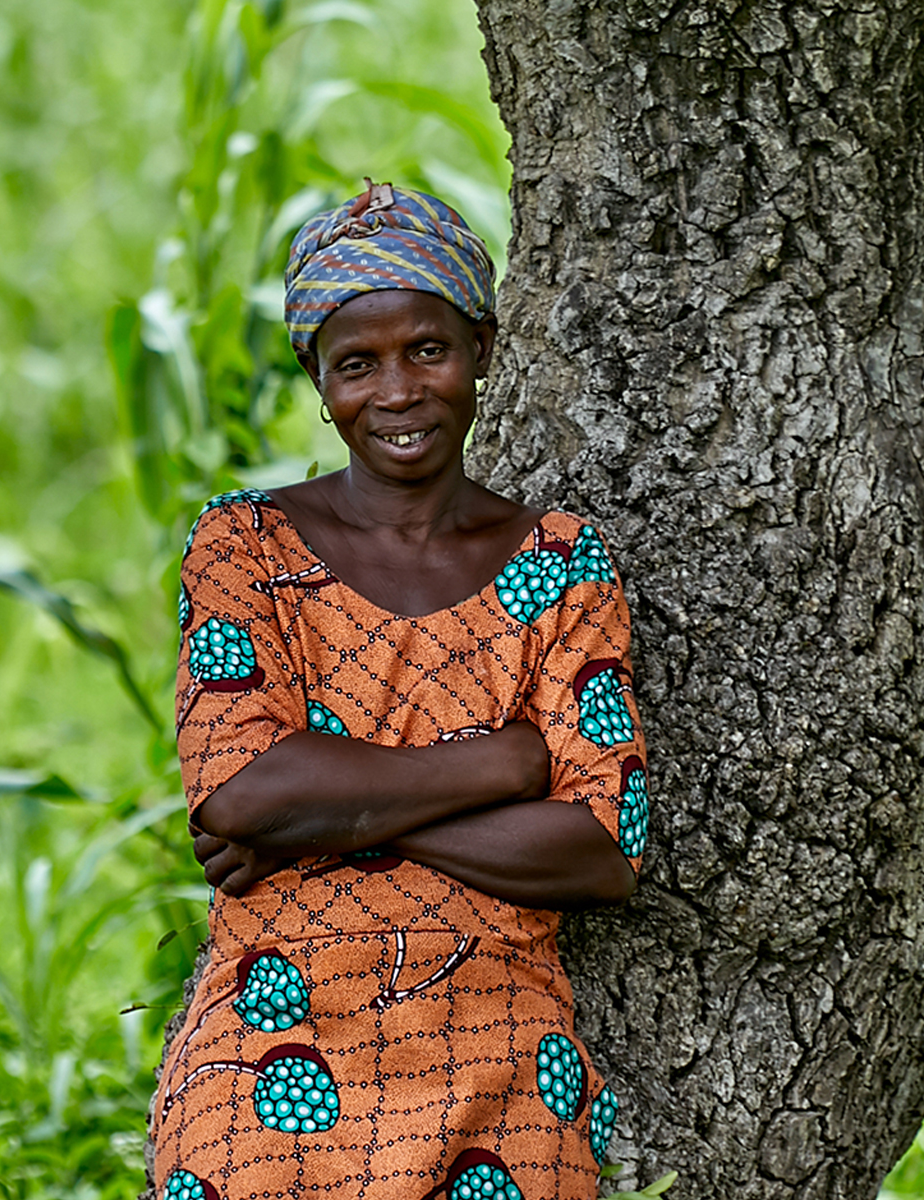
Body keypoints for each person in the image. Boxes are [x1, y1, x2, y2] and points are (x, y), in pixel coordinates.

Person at [149, 181, 648, 1200]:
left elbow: (601, 848)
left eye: (429, 349)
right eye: (357, 364)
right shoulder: (246, 545)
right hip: (265, 1058)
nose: (399, 391)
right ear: (316, 379)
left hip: (500, 1064)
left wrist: (325, 815)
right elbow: (241, 790)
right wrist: (497, 764)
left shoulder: (563, 562)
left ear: (483, 348)